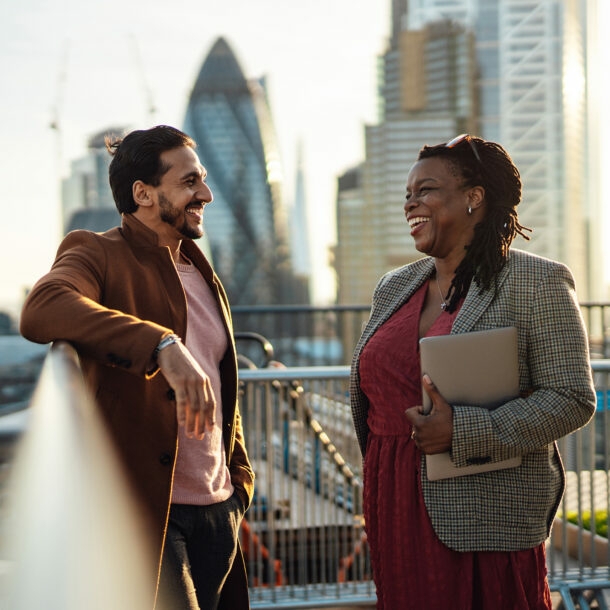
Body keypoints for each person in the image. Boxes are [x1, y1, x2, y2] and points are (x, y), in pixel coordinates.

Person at [349, 134, 596, 609]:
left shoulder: (536, 281)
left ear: (473, 198)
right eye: (407, 195)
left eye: (426, 190)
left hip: (484, 509)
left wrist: (463, 430)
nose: (411, 204)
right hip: (394, 501)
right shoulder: (394, 286)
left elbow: (571, 397)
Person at [20, 125, 254, 610]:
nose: (206, 194)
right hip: (151, 514)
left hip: (220, 507)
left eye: (203, 180)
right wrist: (160, 343)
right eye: (190, 182)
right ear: (143, 194)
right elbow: (43, 306)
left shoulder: (201, 270)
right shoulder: (96, 251)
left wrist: (239, 482)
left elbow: (217, 379)